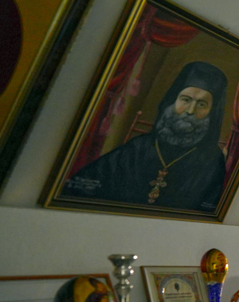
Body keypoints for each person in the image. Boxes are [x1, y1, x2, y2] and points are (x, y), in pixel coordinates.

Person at [62, 61, 229, 213]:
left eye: (202, 104)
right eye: (185, 99)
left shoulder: (212, 161)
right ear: (172, 101)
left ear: (211, 113)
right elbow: (81, 186)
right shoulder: (137, 148)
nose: (190, 111)